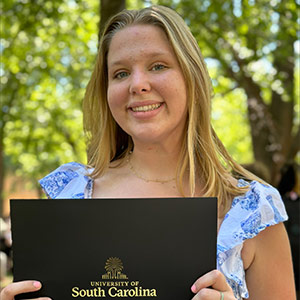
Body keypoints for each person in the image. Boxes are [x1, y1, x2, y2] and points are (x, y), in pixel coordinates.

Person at [1, 5, 296, 300]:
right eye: (120, 73)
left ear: (192, 78)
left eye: (158, 66)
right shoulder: (69, 195)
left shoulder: (253, 211)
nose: (138, 84)